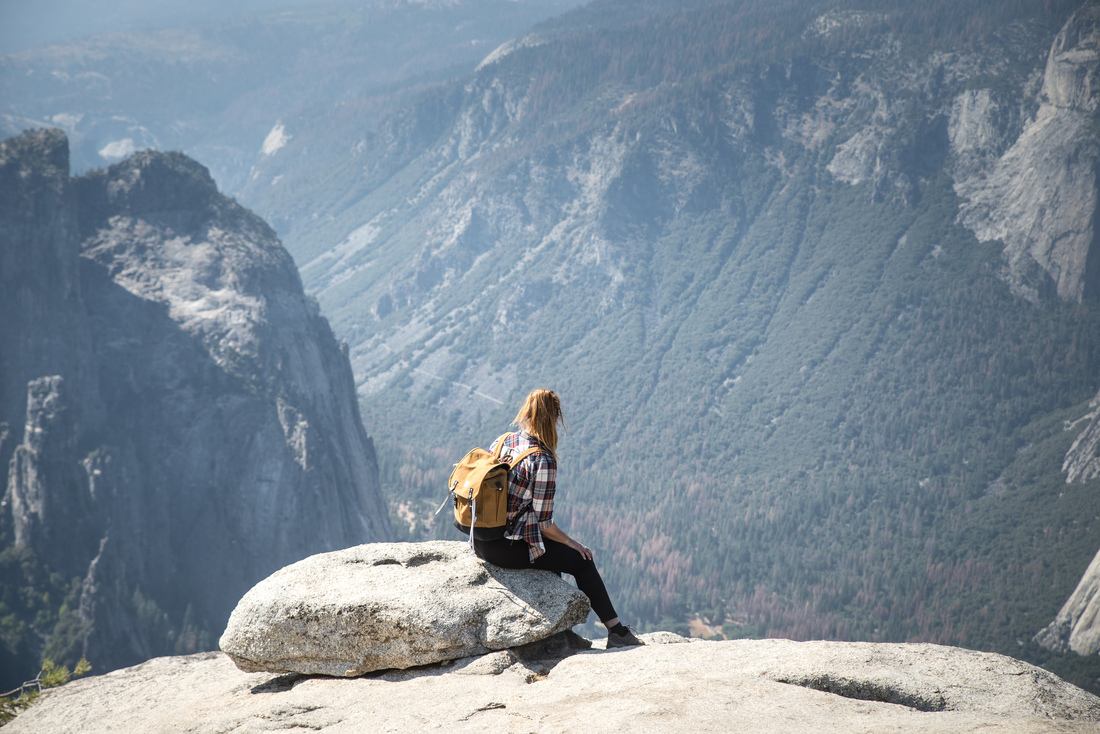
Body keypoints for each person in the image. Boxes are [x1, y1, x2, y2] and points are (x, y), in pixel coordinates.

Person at [472, 388, 643, 648]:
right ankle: (617, 632)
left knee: (550, 554)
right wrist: (575, 544)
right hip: (505, 548)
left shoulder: (504, 440)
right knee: (582, 560)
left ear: (526, 412)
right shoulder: (542, 459)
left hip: (481, 539)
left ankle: (556, 632)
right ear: (554, 418)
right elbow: (544, 523)